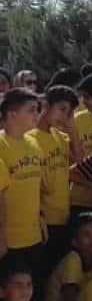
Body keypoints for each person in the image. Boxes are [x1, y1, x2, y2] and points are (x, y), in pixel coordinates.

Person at [28, 86, 84, 273]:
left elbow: (78, 157)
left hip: (63, 215)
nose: (64, 116)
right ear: (45, 105)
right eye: (61, 109)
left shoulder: (59, 136)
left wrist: (71, 125)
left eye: (69, 113)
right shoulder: (30, 138)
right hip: (44, 218)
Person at [0, 89, 47, 289]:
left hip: (33, 235)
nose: (37, 115)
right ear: (12, 114)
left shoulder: (34, 142)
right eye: (31, 110)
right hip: (9, 240)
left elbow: (35, 187)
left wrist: (40, 217)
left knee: (32, 293)